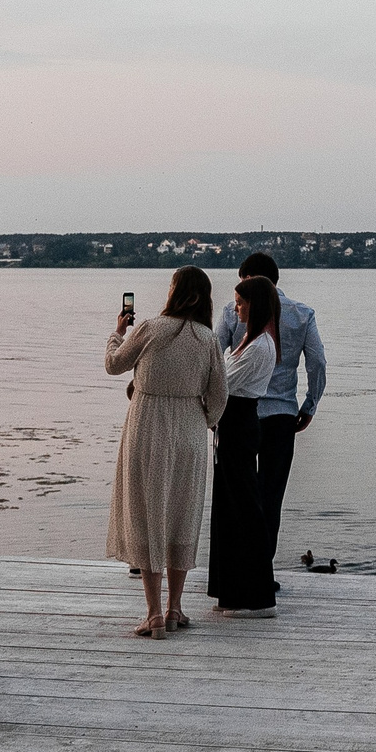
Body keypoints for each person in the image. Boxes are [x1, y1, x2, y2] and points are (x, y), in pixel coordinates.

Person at [106, 267, 228, 637]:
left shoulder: (149, 328)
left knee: (147, 513)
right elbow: (220, 395)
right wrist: (202, 421)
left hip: (148, 425)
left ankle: (154, 614)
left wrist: (117, 332)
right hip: (189, 429)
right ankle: (175, 608)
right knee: (180, 514)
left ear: (173, 292)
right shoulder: (208, 339)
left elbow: (114, 365)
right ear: (206, 298)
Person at [215, 250, 327, 576]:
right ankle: (262, 570)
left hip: (238, 414)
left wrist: (213, 407)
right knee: (270, 496)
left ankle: (235, 570)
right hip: (282, 416)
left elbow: (213, 353)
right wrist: (310, 405)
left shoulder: (230, 311)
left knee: (237, 495)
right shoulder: (302, 314)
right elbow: (317, 362)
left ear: (249, 280)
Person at [209, 276, 282, 616]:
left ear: (255, 304)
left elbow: (222, 384)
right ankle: (232, 591)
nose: (235, 307)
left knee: (245, 508)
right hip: (232, 424)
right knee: (230, 508)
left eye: (240, 302)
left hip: (240, 423)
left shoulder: (259, 347)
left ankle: (257, 596)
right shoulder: (247, 342)